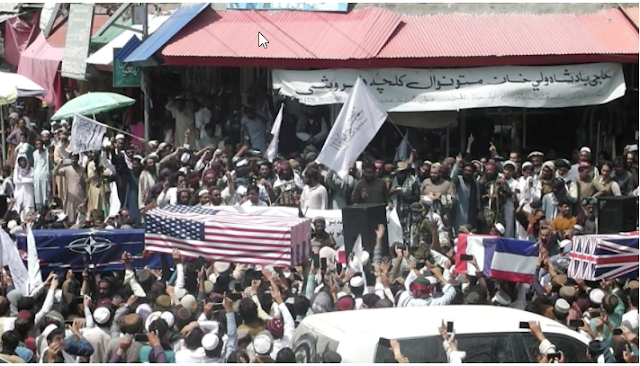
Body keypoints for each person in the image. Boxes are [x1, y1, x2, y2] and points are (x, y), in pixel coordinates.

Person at [52, 154, 87, 223]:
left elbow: (85, 182)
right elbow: (54, 173)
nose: (73, 161)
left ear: (78, 159)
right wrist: (59, 164)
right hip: (70, 197)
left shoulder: (82, 169)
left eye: (75, 159)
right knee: (71, 218)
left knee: (80, 218)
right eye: (72, 159)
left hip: (80, 196)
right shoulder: (67, 169)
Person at [12, 154, 34, 221]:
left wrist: (21, 180)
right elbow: (15, 181)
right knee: (20, 208)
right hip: (19, 193)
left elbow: (33, 180)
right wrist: (27, 179)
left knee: (29, 208)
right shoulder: (16, 171)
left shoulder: (31, 170)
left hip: (28, 193)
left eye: (23, 161)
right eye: (20, 161)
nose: (22, 163)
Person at [32, 139, 52, 211]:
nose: (38, 146)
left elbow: (50, 165)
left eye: (40, 144)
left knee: (46, 192)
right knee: (38, 193)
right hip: (37, 175)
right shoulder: (34, 153)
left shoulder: (47, 153)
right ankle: (39, 210)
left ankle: (46, 209)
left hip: (45, 174)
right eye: (37, 144)